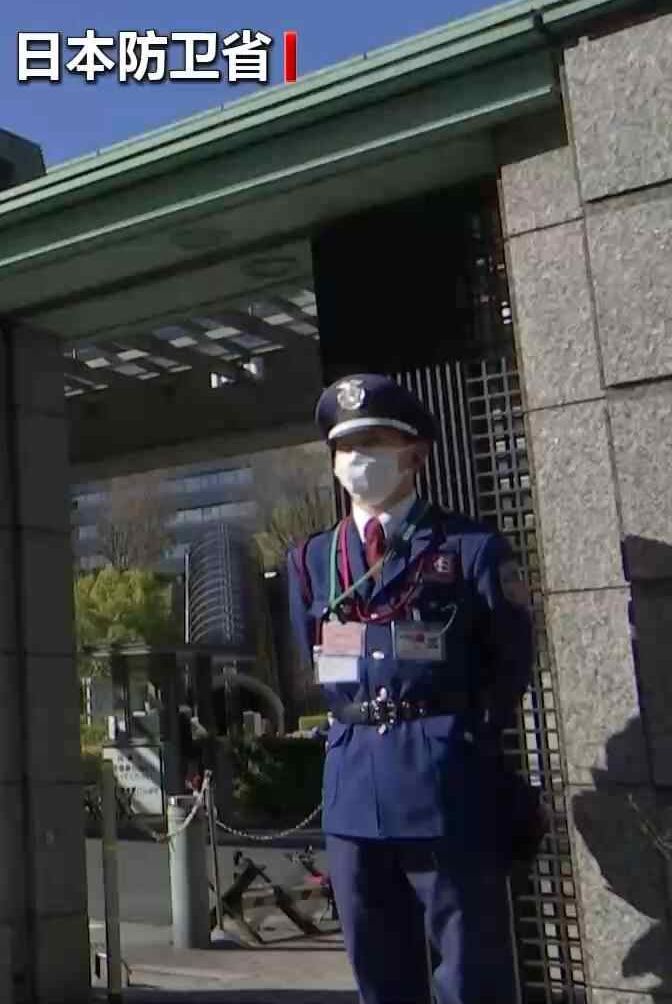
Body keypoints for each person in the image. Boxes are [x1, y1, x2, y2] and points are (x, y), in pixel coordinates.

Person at [285, 374, 535, 1004]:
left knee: (469, 970)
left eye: (373, 443)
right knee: (378, 968)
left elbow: (510, 662)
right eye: (346, 447)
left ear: (414, 455)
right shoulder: (312, 559)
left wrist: (463, 739)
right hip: (352, 786)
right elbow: (314, 654)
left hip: (443, 782)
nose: (357, 460)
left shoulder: (470, 548)